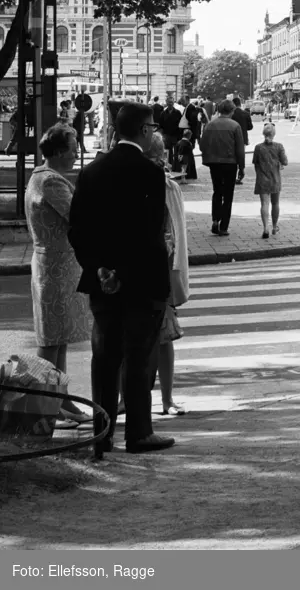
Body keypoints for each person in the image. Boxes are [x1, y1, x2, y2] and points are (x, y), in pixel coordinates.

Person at [68, 101, 175, 457]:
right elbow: (149, 232)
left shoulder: (92, 171)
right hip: (142, 280)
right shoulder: (149, 172)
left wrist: (100, 268)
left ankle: (102, 435)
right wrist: (124, 273)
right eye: (152, 128)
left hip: (101, 281)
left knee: (105, 357)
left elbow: (78, 229)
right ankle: (139, 433)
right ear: (144, 130)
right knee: (139, 358)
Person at [25, 123, 93, 429]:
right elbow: (80, 216)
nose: (78, 151)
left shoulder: (42, 176)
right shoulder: (51, 182)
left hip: (55, 265)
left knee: (58, 336)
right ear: (60, 151)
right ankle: (48, 407)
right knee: (51, 339)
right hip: (55, 267)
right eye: (74, 145)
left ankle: (61, 401)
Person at [143, 132, 188, 418]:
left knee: (162, 336)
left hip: (158, 269)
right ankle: (161, 399)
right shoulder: (162, 185)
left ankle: (165, 398)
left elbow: (174, 233)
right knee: (156, 338)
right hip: (150, 270)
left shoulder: (167, 187)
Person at [198, 99, 245, 237]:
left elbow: (202, 145)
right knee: (228, 194)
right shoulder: (235, 126)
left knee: (217, 191)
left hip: (214, 163)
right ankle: (224, 226)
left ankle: (215, 219)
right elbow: (240, 150)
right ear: (231, 111)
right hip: (230, 163)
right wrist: (241, 168)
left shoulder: (210, 125)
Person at [252, 121, 289, 239]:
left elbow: (255, 163)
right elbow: (285, 162)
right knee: (275, 203)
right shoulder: (279, 146)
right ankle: (274, 226)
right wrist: (278, 162)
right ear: (274, 134)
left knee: (264, 204)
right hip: (275, 178)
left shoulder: (258, 148)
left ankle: (265, 228)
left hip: (262, 179)